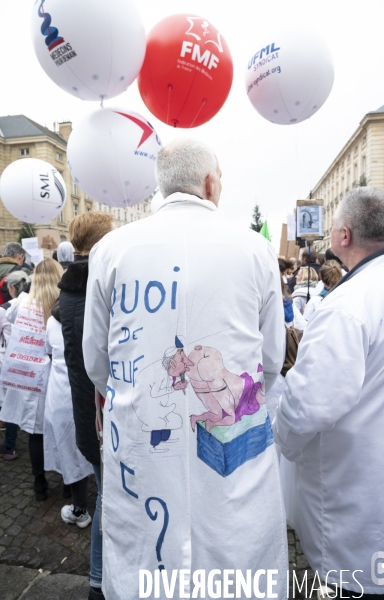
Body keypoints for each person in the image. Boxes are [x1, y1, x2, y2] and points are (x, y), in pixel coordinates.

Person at [82, 138, 288, 600]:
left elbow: (97, 360)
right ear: (210, 183)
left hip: (145, 443)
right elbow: (271, 361)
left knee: (146, 552)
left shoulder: (111, 250)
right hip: (217, 457)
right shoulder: (254, 250)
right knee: (232, 552)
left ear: (162, 186)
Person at [274, 187, 384, 598]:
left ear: (343, 237)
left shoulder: (348, 305)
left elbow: (308, 406)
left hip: (355, 500)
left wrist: (283, 442)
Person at [58, 212, 114, 600]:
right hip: (98, 415)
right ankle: (97, 582)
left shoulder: (70, 284)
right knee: (109, 500)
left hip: (86, 411)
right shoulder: (91, 284)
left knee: (106, 493)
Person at [1, 259, 63, 500]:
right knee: (59, 429)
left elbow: (9, 316)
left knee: (36, 433)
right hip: (56, 376)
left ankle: (39, 483)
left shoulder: (22, 303)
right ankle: (68, 482)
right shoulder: (62, 304)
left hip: (32, 378)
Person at [44, 300, 93, 527]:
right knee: (84, 448)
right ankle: (85, 505)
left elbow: (49, 352)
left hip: (63, 394)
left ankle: (80, 508)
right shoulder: (94, 318)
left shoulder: (53, 322)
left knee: (70, 451)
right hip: (87, 391)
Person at [0, 270, 31, 459]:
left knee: (8, 402)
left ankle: (10, 445)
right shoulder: (33, 306)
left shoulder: (4, 309)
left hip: (7, 362)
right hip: (28, 361)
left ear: (12, 287)